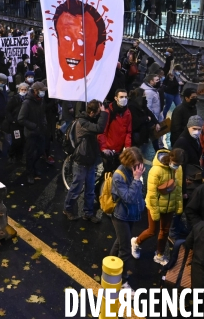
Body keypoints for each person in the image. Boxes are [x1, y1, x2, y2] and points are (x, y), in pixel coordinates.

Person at [131, 148, 184, 266]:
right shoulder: (156, 170)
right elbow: (152, 194)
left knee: (165, 231)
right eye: (175, 164)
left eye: (179, 165)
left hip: (168, 206)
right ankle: (136, 242)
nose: (177, 167)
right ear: (170, 159)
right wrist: (155, 212)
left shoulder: (178, 169)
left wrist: (178, 206)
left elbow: (179, 188)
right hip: (155, 205)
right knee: (152, 231)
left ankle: (159, 255)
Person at [63, 100, 108, 222]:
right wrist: (104, 113)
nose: (100, 114)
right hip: (81, 160)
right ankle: (68, 209)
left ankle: (88, 213)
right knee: (76, 187)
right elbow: (99, 128)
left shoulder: (88, 120)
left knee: (90, 189)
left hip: (90, 159)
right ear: (93, 112)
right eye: (99, 112)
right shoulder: (82, 123)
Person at [110, 147, 146, 291]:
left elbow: (137, 193)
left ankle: (110, 267)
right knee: (124, 250)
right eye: (135, 165)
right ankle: (122, 281)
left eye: (139, 165)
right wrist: (137, 179)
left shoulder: (133, 171)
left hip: (130, 214)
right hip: (121, 215)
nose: (138, 168)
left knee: (120, 242)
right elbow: (129, 198)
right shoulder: (119, 176)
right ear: (128, 162)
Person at [18, 81, 47, 184]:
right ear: (36, 91)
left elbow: (42, 113)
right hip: (31, 133)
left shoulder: (41, 100)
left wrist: (44, 122)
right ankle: (29, 173)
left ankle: (34, 168)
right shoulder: (27, 102)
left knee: (40, 151)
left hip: (40, 131)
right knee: (30, 154)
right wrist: (34, 126)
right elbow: (21, 119)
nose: (43, 93)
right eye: (42, 91)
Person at [97, 89, 132, 173]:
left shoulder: (127, 113)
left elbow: (128, 131)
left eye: (125, 97)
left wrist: (127, 147)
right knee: (106, 174)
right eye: (121, 97)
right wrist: (103, 148)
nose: (124, 99)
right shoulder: (108, 112)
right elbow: (102, 131)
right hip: (108, 150)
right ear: (116, 98)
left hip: (119, 150)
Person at [173, 115, 203, 197]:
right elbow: (180, 168)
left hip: (191, 176)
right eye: (194, 129)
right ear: (188, 127)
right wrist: (183, 190)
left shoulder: (194, 138)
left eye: (199, 129)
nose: (197, 132)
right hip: (187, 179)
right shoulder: (182, 142)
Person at [4, 83, 28, 164]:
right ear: (19, 90)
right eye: (22, 90)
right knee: (16, 141)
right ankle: (11, 154)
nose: (23, 91)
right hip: (15, 124)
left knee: (22, 142)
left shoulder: (27, 99)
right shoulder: (14, 99)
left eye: (25, 90)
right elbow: (8, 110)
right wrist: (12, 120)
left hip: (24, 124)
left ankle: (19, 157)